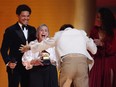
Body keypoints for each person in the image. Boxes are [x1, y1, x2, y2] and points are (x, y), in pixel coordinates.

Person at [20, 24, 97, 87]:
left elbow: (46, 46)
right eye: (41, 30)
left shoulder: (59, 36)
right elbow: (94, 50)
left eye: (46, 30)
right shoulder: (81, 33)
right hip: (82, 64)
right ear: (37, 33)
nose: (44, 32)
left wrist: (29, 47)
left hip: (57, 69)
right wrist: (34, 60)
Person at [1, 4, 36, 87]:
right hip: (15, 66)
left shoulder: (33, 29)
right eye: (23, 16)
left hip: (29, 66)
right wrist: (8, 62)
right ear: (18, 15)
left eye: (28, 16)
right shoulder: (10, 30)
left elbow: (35, 45)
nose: (26, 18)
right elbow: (3, 49)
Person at [89, 7, 116, 87]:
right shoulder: (94, 30)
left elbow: (113, 49)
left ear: (105, 19)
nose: (97, 19)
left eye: (100, 18)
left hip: (109, 61)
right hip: (97, 61)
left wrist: (102, 43)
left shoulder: (113, 32)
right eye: (97, 17)